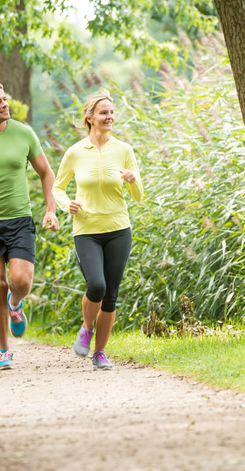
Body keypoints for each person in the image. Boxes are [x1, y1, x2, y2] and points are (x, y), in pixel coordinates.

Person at [0, 80, 59, 370]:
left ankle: (15, 304)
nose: (5, 104)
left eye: (4, 99)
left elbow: (46, 172)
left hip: (19, 219)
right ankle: (3, 350)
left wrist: (50, 209)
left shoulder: (24, 133)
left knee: (21, 282)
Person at [52, 91, 144, 370]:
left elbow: (139, 196)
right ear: (90, 117)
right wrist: (67, 203)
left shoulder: (124, 150)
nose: (109, 117)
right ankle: (86, 328)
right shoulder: (75, 152)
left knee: (112, 293)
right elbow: (58, 187)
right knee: (97, 285)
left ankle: (99, 353)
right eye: (103, 112)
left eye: (112, 112)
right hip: (87, 231)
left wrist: (132, 179)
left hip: (118, 228)